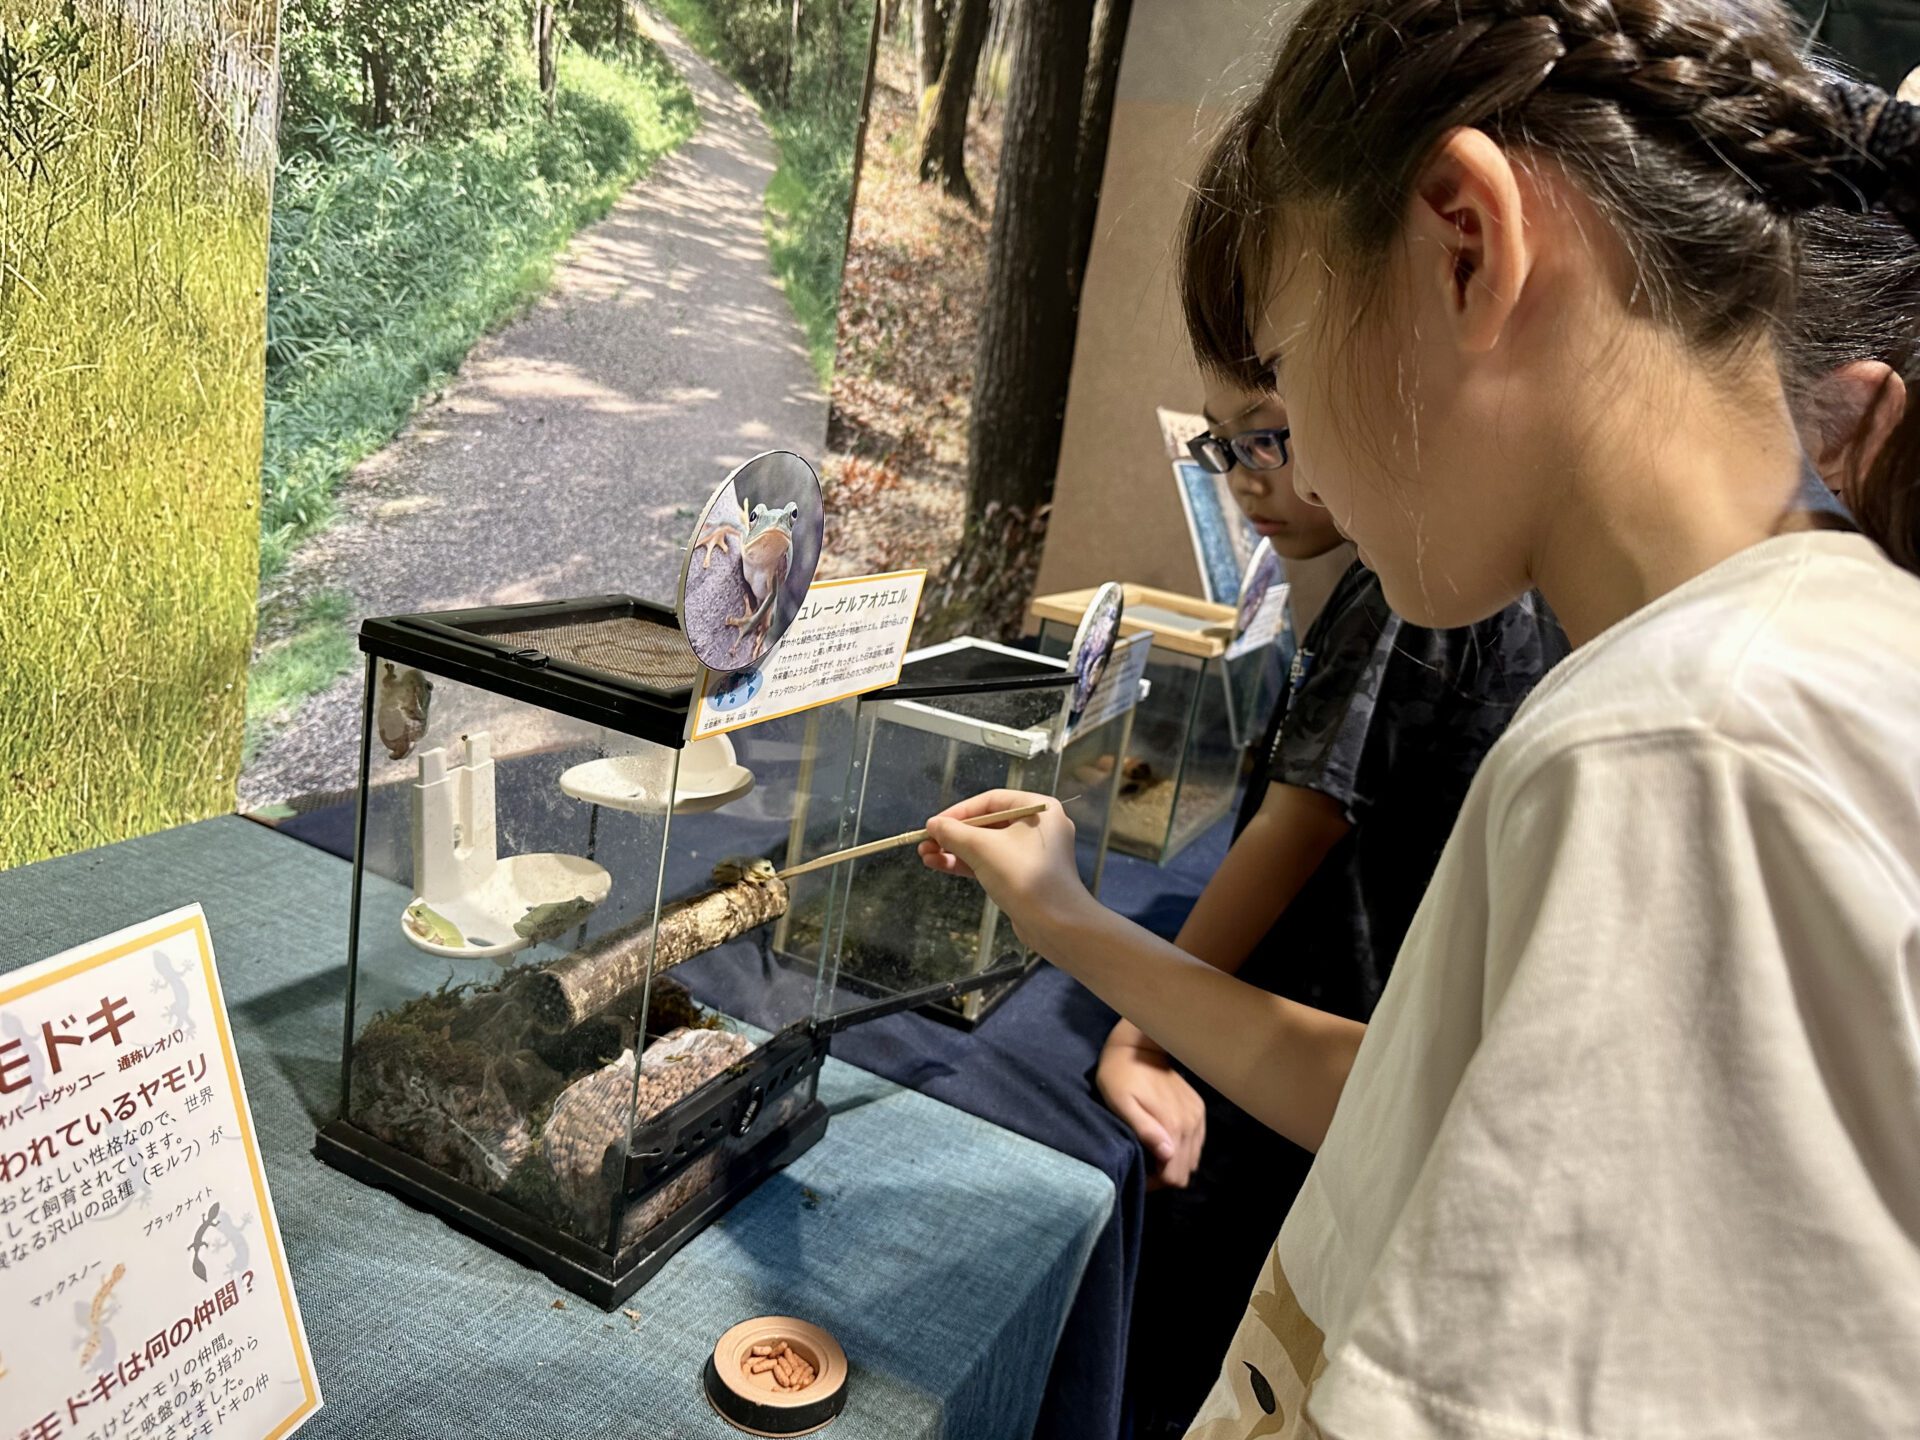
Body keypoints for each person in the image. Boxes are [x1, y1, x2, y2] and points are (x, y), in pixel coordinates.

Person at [919, 0, 1920, 1433]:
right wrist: (1074, 921)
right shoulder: (1782, 675)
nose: (1302, 451)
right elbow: (1417, 1102)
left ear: (1465, 245)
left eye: (1291, 352)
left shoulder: (1682, 747)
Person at [1111, 378, 1567, 1437]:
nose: (1251, 478)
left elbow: (1301, 815)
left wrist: (1145, 1032)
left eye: (1269, 436)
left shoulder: (1413, 586)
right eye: (1225, 450)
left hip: (1300, 1049)